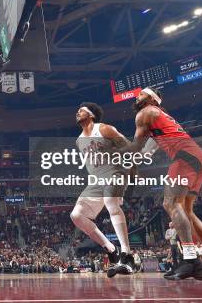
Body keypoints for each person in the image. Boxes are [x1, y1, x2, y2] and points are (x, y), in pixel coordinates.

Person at [115, 87, 202, 280]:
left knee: (170, 204)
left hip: (185, 156)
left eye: (142, 94)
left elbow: (135, 147)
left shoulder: (144, 113)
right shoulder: (159, 116)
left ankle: (191, 261)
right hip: (198, 156)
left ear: (152, 99)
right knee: (187, 211)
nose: (137, 96)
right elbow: (144, 152)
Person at [71, 103, 135, 278]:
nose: (78, 112)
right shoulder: (79, 140)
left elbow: (128, 147)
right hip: (97, 179)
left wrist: (130, 172)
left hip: (115, 171)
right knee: (77, 215)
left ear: (91, 115)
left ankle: (126, 254)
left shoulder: (104, 129)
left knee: (110, 203)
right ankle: (111, 249)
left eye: (81, 110)